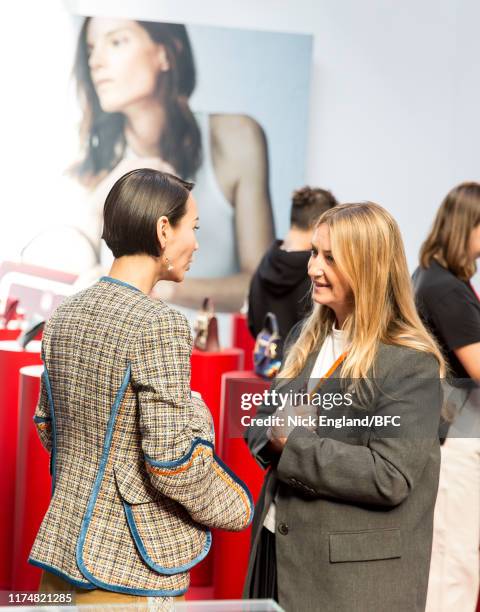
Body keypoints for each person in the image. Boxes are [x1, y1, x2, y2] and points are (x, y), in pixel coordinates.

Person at [29, 169, 253, 605]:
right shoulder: (160, 323)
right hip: (128, 571)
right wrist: (236, 506)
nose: (198, 243)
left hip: (61, 555)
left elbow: (47, 426)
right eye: (194, 228)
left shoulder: (64, 315)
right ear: (163, 229)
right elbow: (170, 460)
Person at [244, 202, 445, 612]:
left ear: (368, 267)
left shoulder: (409, 362)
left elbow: (390, 476)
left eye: (330, 258)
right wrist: (276, 434)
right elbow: (262, 423)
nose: (313, 268)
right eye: (315, 253)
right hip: (276, 550)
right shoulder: (308, 336)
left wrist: (292, 441)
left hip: (346, 580)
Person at [71, 16, 274, 312]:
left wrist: (160, 286)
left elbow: (262, 287)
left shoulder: (235, 138)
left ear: (166, 53)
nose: (96, 62)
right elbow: (74, 285)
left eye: (116, 42)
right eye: (90, 50)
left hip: (209, 354)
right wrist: (98, 203)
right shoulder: (93, 163)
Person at [412, 181, 480, 612]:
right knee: (454, 560)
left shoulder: (432, 278)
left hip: (450, 434)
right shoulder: (445, 288)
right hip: (456, 438)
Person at [247, 186, 337, 357]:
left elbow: (252, 324)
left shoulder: (263, 265)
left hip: (265, 372)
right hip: (303, 375)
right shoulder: (319, 275)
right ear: (319, 223)